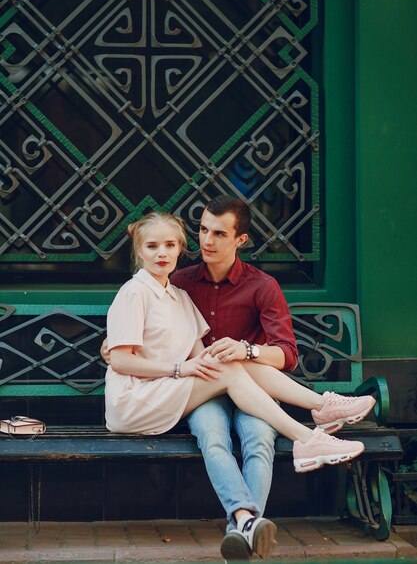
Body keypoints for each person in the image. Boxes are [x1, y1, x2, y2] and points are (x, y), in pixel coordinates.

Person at [103, 204, 376, 561]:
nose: (164, 253)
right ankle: (311, 429)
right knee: (215, 431)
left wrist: (243, 351)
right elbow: (126, 355)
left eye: (170, 246)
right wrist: (172, 366)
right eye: (202, 231)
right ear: (139, 249)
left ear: (240, 239)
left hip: (227, 388)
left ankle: (245, 523)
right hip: (152, 396)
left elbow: (281, 355)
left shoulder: (189, 292)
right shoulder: (152, 287)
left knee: (256, 430)